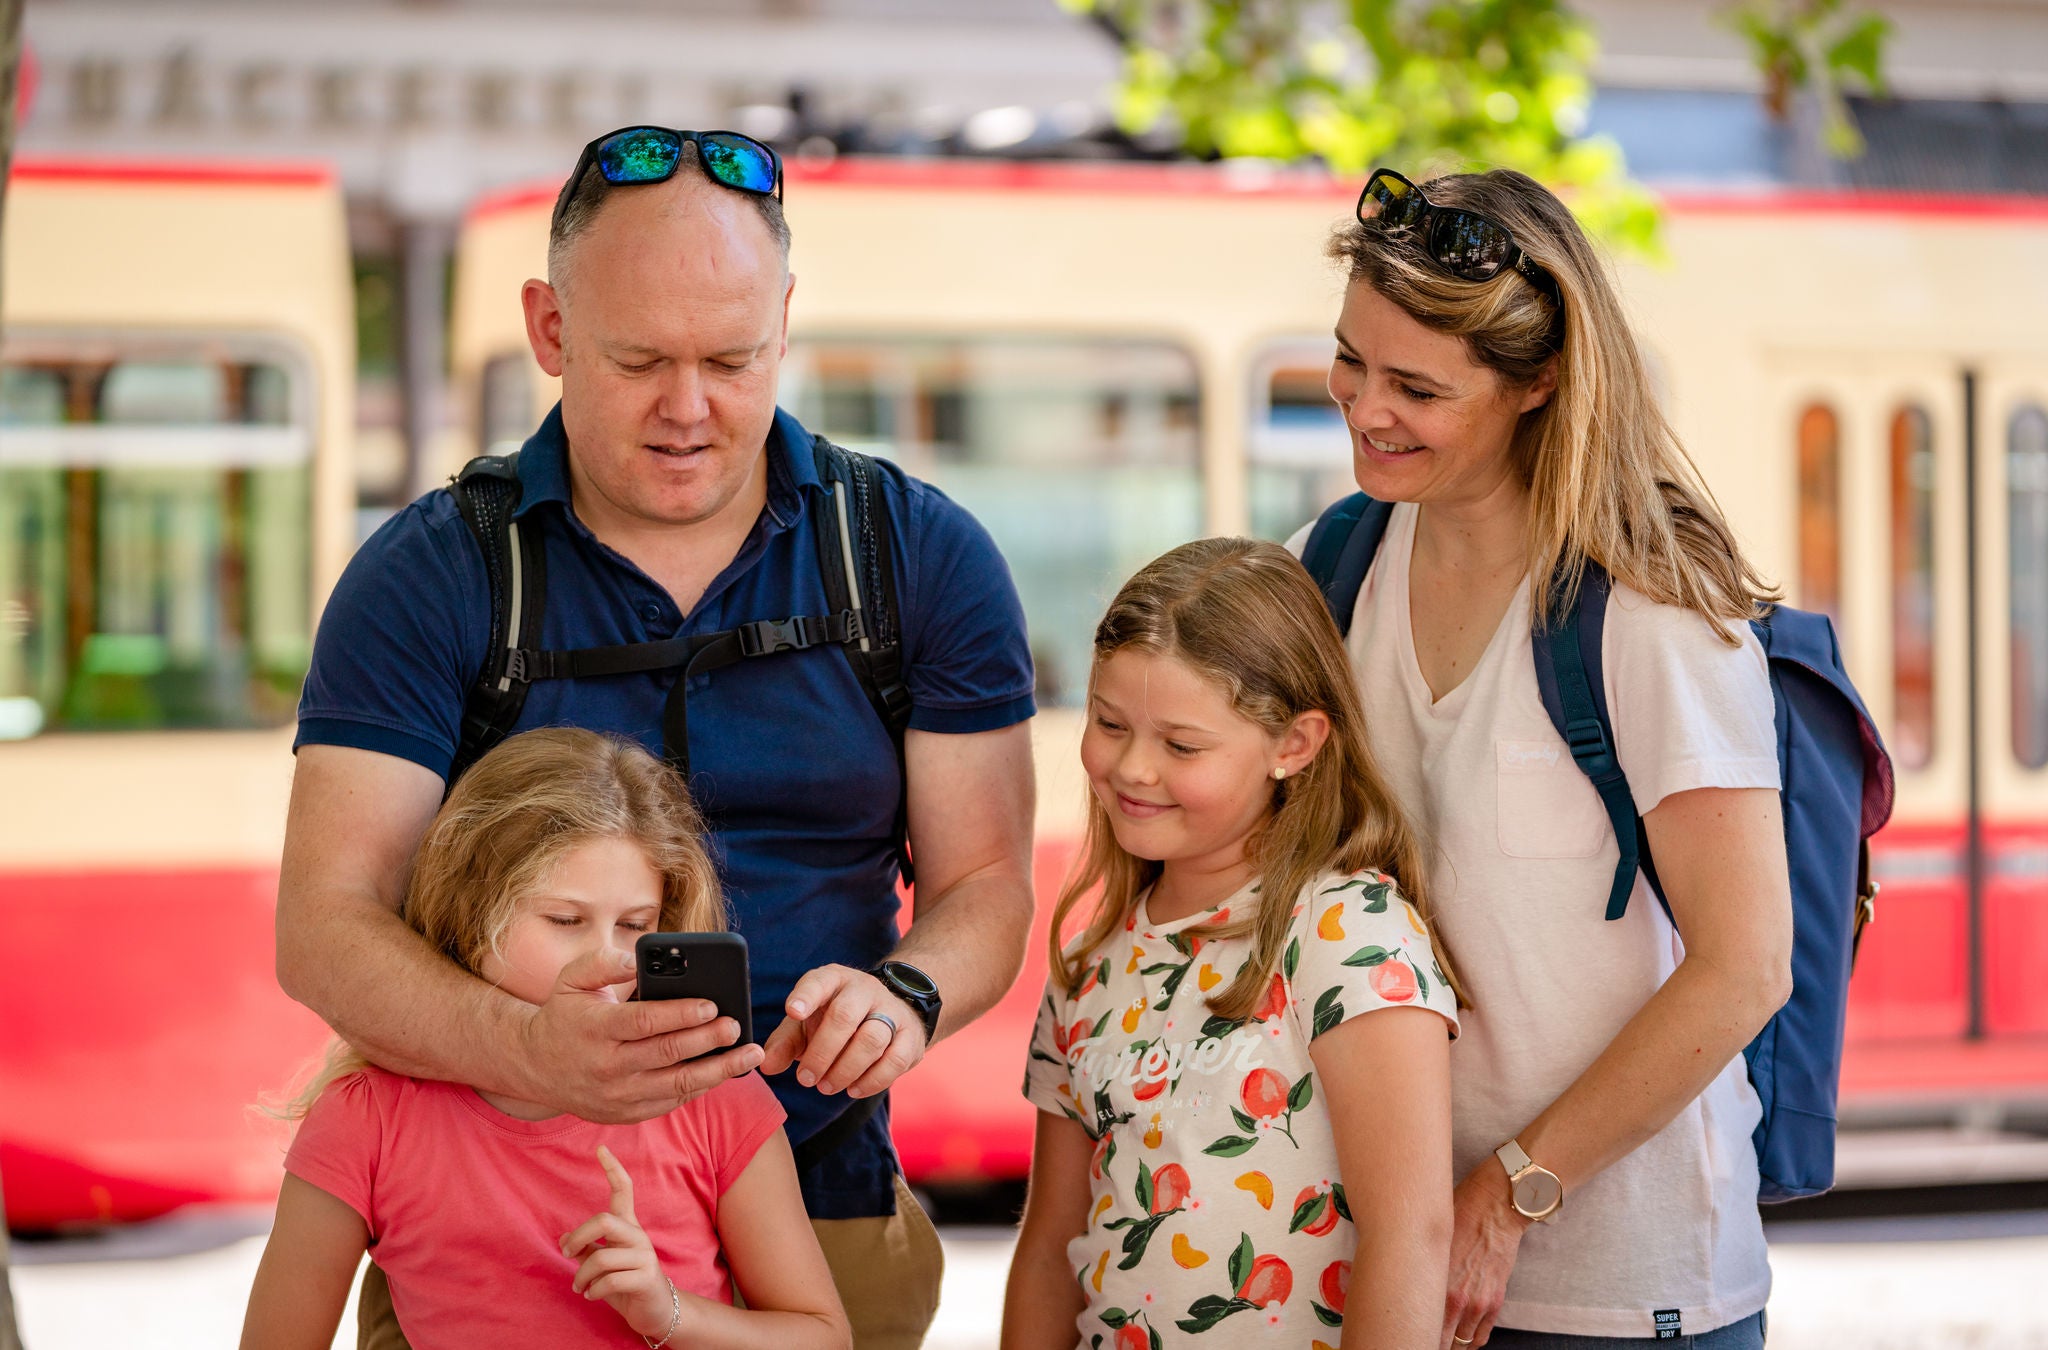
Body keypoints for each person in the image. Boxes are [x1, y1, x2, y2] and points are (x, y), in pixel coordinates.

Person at [276, 126, 1037, 1349]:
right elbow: (322, 926)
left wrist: (907, 994)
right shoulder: (431, 573)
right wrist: (530, 1052)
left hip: (820, 1220)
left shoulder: (915, 555)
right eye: (638, 361)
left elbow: (987, 886)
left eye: (732, 360)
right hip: (487, 1222)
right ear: (550, 330)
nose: (689, 410)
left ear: (784, 322)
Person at [1305, 168, 1793, 1348]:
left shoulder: (1648, 614)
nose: (1364, 408)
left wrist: (1508, 1193)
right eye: (1349, 363)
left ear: (1538, 384)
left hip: (1618, 1289)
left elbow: (1743, 968)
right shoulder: (1333, 563)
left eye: (1416, 387)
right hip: (1390, 1262)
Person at [242, 728, 850, 1350]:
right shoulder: (367, 1118)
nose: (609, 957)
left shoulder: (714, 1100)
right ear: (469, 913)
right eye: (565, 920)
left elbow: (823, 1337)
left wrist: (668, 1311)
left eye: (637, 925)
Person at [1001, 537, 1462, 1350]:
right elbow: (1047, 1250)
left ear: (1296, 744)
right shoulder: (1091, 963)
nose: (1133, 769)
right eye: (1110, 724)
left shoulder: (1346, 933)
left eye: (1182, 746)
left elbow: (1411, 1235)